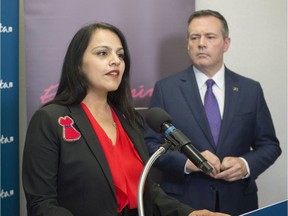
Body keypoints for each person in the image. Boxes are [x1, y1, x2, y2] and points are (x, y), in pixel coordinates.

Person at [22, 22, 230, 216]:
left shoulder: (129, 120)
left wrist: (190, 214)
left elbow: (148, 192)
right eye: (103, 53)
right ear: (77, 64)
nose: (116, 61)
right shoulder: (50, 119)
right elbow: (41, 204)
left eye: (120, 55)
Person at [144, 9, 281, 216]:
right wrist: (188, 162)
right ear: (188, 44)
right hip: (185, 204)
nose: (201, 43)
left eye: (210, 37)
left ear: (226, 43)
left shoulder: (250, 90)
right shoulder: (166, 89)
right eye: (195, 37)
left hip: (238, 201)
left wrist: (245, 165)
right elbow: (150, 145)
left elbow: (269, 145)